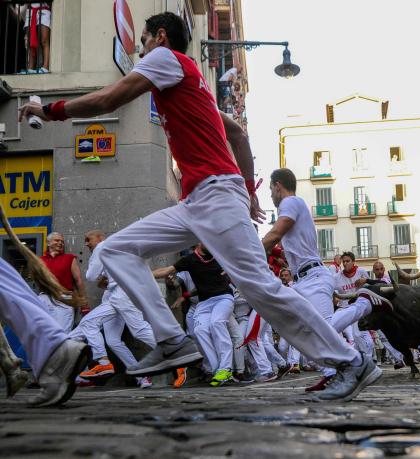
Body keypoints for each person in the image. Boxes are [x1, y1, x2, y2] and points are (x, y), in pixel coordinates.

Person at [19, 12, 381, 402]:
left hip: (216, 196)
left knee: (262, 289)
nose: (141, 52)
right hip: (198, 201)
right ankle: (172, 340)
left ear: (160, 37)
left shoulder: (165, 58)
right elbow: (238, 134)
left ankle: (350, 361)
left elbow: (109, 98)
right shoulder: (195, 85)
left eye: (143, 42)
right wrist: (249, 191)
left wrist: (50, 111)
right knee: (114, 250)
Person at [262, 168, 390, 400]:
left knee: (324, 327)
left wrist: (251, 253)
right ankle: (332, 373)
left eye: (271, 189)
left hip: (313, 278)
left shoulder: (290, 202)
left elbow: (276, 233)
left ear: (278, 186)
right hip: (304, 280)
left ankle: (364, 303)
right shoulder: (295, 206)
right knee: (303, 329)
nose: (270, 194)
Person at [68, 230, 156, 387]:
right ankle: (140, 374)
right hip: (116, 296)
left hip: (121, 295)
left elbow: (90, 276)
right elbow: (105, 280)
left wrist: (99, 271)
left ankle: (175, 349)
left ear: (100, 238)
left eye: (88, 239)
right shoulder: (114, 250)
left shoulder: (101, 247)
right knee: (112, 340)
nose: (86, 243)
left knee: (139, 329)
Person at [0, 256, 90, 407]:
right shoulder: (44, 258)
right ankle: (51, 348)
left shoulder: (69, 259)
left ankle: (54, 352)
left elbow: (79, 279)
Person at [153, 244, 235, 387]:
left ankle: (226, 368)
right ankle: (216, 370)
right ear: (198, 242)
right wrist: (140, 274)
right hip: (204, 302)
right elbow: (166, 271)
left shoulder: (220, 253)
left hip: (223, 298)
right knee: (199, 331)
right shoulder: (189, 260)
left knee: (216, 323)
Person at [40, 232, 88, 332]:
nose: (60, 243)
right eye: (57, 240)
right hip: (45, 297)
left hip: (64, 297)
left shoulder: (69, 258)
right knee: (44, 332)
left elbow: (78, 280)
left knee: (63, 333)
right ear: (48, 243)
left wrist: (84, 303)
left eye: (62, 241)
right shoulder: (40, 260)